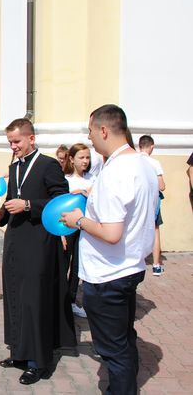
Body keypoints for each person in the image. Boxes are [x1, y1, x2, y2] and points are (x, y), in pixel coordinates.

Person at [62, 104, 158, 395]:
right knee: (124, 339)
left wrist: (79, 220)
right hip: (129, 267)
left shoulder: (116, 171)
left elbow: (112, 233)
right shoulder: (143, 163)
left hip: (108, 275)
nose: (89, 138)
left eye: (91, 131)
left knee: (114, 351)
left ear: (104, 130)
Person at [0, 118, 75, 385]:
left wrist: (28, 205)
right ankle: (19, 352)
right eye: (10, 142)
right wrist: (1, 213)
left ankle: (39, 361)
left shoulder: (48, 165)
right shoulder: (14, 165)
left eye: (16, 141)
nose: (13, 147)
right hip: (15, 239)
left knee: (34, 299)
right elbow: (12, 200)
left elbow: (60, 200)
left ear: (31, 139)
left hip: (39, 241)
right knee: (15, 294)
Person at [63, 143, 96, 318]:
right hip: (67, 228)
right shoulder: (66, 179)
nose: (85, 161)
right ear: (71, 159)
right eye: (81, 157)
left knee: (77, 266)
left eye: (87, 157)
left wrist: (87, 193)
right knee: (63, 264)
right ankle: (59, 299)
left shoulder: (93, 179)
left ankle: (72, 299)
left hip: (85, 227)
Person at [138, 135, 166, 276]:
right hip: (152, 202)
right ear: (152, 146)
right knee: (155, 230)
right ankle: (156, 265)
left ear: (139, 145)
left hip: (138, 201)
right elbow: (161, 186)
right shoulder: (154, 163)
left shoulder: (135, 160)